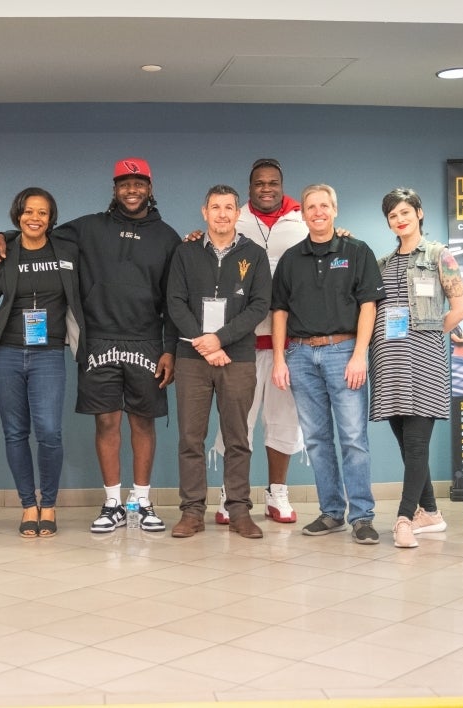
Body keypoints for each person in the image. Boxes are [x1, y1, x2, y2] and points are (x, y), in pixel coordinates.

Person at [0, 158, 179, 533]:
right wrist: (0, 235)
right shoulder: (89, 227)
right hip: (98, 340)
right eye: (124, 183)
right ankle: (112, 503)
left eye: (139, 182)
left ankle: (141, 501)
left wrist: (169, 348)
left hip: (146, 340)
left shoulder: (168, 237)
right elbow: (37, 231)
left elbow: (175, 300)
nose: (131, 189)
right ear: (114, 188)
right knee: (107, 421)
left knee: (142, 422)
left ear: (150, 188)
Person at [271, 183, 385, 544]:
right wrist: (279, 358)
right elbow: (279, 311)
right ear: (302, 214)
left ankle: (362, 516)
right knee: (317, 440)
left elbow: (369, 305)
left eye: (324, 206)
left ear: (334, 210)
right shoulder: (291, 259)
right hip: (301, 355)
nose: (318, 212)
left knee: (353, 438)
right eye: (311, 207)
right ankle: (332, 512)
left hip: (344, 352)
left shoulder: (357, 251)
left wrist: (359, 354)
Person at [168, 185, 271, 539]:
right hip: (191, 358)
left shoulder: (255, 255)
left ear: (238, 212)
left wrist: (220, 340)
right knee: (190, 438)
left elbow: (259, 306)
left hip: (237, 358)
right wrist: (205, 343)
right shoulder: (184, 252)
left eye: (229, 207)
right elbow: (175, 303)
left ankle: (239, 510)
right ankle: (192, 512)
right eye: (216, 207)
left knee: (237, 438)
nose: (222, 213)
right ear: (204, 212)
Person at [0, 187, 84, 538]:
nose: (35, 218)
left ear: (51, 218)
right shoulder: (5, 251)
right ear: (18, 214)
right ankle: (28, 505)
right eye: (28, 211)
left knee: (50, 433)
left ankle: (49, 504)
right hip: (6, 353)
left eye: (42, 212)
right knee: (15, 433)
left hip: (49, 353)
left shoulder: (67, 250)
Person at [212, 158, 307, 526]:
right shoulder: (236, 218)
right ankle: (230, 493)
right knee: (236, 422)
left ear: (282, 184)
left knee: (283, 421)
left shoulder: (301, 220)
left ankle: (277, 493)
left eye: (273, 182)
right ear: (249, 187)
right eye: (259, 183)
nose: (266, 188)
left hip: (288, 343)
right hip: (240, 343)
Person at [371, 188, 463, 548]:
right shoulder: (382, 263)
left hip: (423, 358)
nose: (400, 219)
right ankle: (430, 511)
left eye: (405, 212)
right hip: (387, 357)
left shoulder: (440, 255)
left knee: (415, 443)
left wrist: (426, 332)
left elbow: (460, 308)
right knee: (405, 440)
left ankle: (403, 519)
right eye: (393, 215)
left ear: (419, 213)